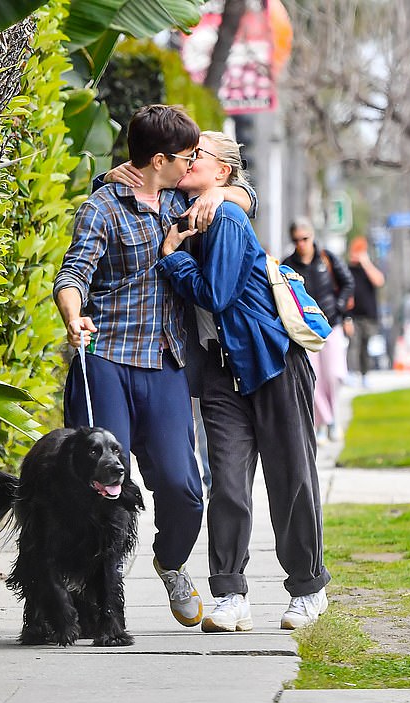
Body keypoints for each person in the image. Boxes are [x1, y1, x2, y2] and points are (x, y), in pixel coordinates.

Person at [53, 105, 254, 629]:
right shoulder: (102, 206)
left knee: (184, 486)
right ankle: (93, 591)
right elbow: (74, 272)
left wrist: (220, 191)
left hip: (163, 360)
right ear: (160, 159)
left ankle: (170, 563)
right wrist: (74, 317)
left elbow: (242, 196)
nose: (194, 164)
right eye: (187, 157)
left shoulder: (178, 199)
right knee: (96, 486)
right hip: (106, 361)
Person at [156, 131, 331, 632]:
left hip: (268, 359)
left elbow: (215, 293)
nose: (186, 160)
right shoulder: (180, 204)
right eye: (185, 154)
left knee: (291, 480)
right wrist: (225, 191)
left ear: (223, 171)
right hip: (218, 369)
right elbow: (129, 181)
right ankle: (230, 594)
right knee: (228, 484)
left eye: (198, 156)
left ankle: (308, 588)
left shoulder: (226, 216)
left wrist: (173, 256)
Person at [283, 218, 354, 444]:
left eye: (305, 239)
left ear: (312, 236)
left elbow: (347, 283)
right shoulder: (288, 264)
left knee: (334, 375)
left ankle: (331, 419)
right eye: (296, 240)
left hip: (331, 324)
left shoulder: (327, 258)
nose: (301, 244)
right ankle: (323, 422)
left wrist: (340, 307)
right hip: (305, 330)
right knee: (313, 378)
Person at [345, 236, 385, 386]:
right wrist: (346, 318)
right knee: (353, 345)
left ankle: (365, 374)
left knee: (365, 346)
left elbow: (379, 281)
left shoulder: (369, 268)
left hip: (369, 316)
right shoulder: (348, 270)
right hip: (353, 316)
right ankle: (351, 374)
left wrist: (366, 263)